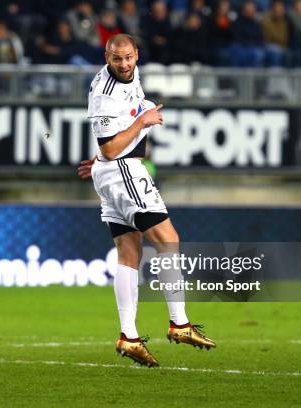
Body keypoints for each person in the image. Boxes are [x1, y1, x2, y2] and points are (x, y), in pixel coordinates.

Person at [77, 33, 216, 367]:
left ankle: (129, 336)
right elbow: (111, 147)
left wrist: (101, 159)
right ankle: (180, 323)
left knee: (129, 251)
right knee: (168, 240)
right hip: (123, 170)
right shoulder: (103, 93)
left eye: (128, 58)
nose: (124, 65)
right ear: (106, 57)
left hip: (111, 170)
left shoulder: (130, 74)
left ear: (136, 54)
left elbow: (108, 146)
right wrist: (143, 120)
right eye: (116, 59)